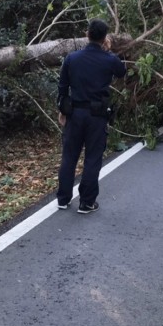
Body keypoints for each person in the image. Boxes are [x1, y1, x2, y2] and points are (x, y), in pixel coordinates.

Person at [56, 19, 126, 214]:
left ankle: (63, 198)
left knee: (69, 156)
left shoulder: (72, 58)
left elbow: (62, 87)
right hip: (97, 115)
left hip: (74, 113)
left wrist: (62, 110)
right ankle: (86, 202)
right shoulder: (109, 59)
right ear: (105, 38)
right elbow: (122, 72)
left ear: (87, 34)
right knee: (93, 158)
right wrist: (109, 51)